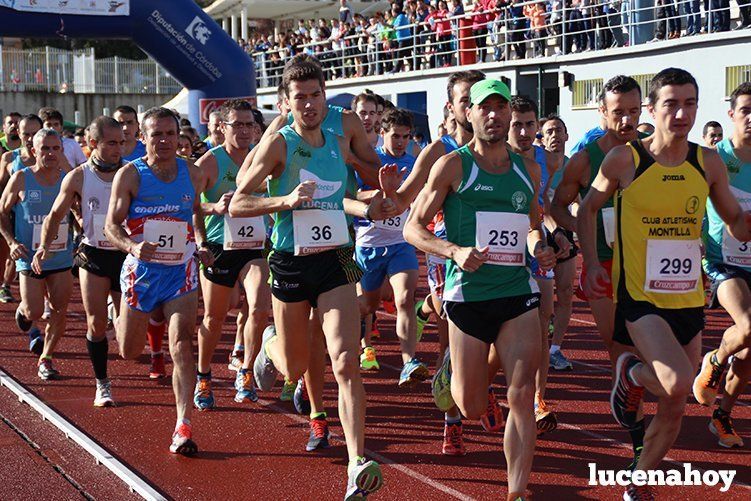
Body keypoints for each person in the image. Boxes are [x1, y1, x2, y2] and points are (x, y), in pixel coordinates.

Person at [578, 68, 751, 500]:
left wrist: (746, 223)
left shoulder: (706, 162)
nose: (681, 113)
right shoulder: (626, 159)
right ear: (651, 111)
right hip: (640, 298)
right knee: (677, 383)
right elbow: (587, 208)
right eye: (671, 104)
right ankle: (632, 371)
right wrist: (590, 264)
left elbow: (736, 224)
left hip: (689, 297)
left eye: (690, 103)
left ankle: (638, 484)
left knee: (675, 405)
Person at [228, 56, 384, 499]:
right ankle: (270, 344)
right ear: (286, 102)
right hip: (290, 261)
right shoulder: (280, 143)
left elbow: (365, 178)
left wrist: (380, 190)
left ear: (324, 96)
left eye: (315, 95)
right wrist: (285, 202)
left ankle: (356, 462)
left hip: (335, 257)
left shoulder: (343, 128)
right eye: (300, 98)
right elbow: (238, 202)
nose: (309, 104)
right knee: (295, 367)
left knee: (345, 362)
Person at [405, 79, 556, 500]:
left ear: (510, 114)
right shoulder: (453, 165)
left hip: (516, 293)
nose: (493, 115)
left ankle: (516, 491)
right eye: (483, 108)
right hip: (468, 296)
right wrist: (453, 250)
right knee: (470, 406)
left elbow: (529, 226)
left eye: (500, 107)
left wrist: (540, 248)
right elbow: (412, 228)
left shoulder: (529, 169)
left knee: (522, 394)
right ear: (467, 114)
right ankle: (455, 373)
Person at [105, 106, 214, 456]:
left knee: (182, 341)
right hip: (142, 272)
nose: (165, 140)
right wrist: (133, 246)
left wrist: (199, 243)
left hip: (180, 271)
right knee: (129, 350)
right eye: (157, 134)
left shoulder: (193, 174)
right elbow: (111, 225)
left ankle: (183, 424)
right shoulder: (130, 175)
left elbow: (195, 212)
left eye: (171, 134)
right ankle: (122, 313)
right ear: (143, 138)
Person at [553, 74, 645, 467]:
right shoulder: (584, 159)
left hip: (645, 264)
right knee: (619, 345)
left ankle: (627, 401)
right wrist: (581, 230)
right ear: (601, 111)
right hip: (602, 265)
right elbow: (557, 206)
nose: (627, 120)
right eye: (618, 112)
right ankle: (635, 426)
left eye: (634, 112)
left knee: (645, 346)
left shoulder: (650, 153)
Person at [394, 70, 485, 455]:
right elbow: (404, 199)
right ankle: (451, 419)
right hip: (445, 255)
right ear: (452, 107)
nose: (473, 107)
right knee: (452, 335)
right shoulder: (438, 151)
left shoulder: (500, 148)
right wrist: (384, 197)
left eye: (477, 99)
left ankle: (481, 381)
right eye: (465, 100)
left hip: (493, 252)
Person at [32, 117, 127, 405]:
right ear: (93, 144)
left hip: (126, 254)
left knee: (127, 340)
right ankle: (102, 384)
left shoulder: (132, 172)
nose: (118, 148)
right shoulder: (78, 177)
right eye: (112, 143)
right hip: (94, 255)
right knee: (96, 325)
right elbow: (54, 216)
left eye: (122, 142)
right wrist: (43, 248)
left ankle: (120, 319)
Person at [193, 99, 271, 409]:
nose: (243, 131)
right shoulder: (210, 163)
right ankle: (203, 374)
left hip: (254, 247)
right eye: (236, 125)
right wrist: (215, 207)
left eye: (248, 125)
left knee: (259, 306)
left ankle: (246, 371)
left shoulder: (263, 159)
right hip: (218, 247)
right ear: (222, 128)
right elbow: (189, 205)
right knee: (214, 317)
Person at [505, 96, 570, 436]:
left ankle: (538, 399)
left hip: (534, 245)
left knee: (545, 318)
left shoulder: (544, 161)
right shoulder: (495, 158)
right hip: (498, 251)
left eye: (531, 125)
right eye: (518, 124)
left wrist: (556, 233)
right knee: (497, 326)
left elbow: (541, 205)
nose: (525, 131)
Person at [693, 82, 751, 448]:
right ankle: (715, 358)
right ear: (731, 114)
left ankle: (722, 415)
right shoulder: (715, 158)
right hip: (723, 260)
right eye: (746, 110)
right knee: (747, 328)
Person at [355, 107, 428, 385]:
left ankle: (409, 361)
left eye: (405, 137)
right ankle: (365, 346)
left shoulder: (413, 163)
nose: (400, 142)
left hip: (401, 243)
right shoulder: (372, 162)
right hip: (369, 243)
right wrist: (377, 193)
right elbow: (353, 194)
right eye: (395, 136)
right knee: (366, 305)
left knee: (404, 299)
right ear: (382, 133)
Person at [0, 129, 73, 379]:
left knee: (59, 309)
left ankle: (47, 358)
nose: (50, 153)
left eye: (55, 148)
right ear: (34, 151)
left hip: (61, 255)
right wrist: (11, 242)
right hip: (28, 255)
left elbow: (81, 212)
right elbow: (1, 212)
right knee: (33, 311)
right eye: (45, 149)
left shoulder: (69, 180)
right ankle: (23, 312)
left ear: (61, 151)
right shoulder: (21, 178)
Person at [539, 115, 577, 372]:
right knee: (543, 300)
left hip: (563, 230)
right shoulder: (534, 163)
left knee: (565, 292)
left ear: (566, 136)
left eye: (558, 131)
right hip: (537, 233)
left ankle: (555, 349)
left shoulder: (573, 166)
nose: (554, 136)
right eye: (549, 131)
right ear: (541, 139)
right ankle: (538, 346)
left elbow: (580, 197)